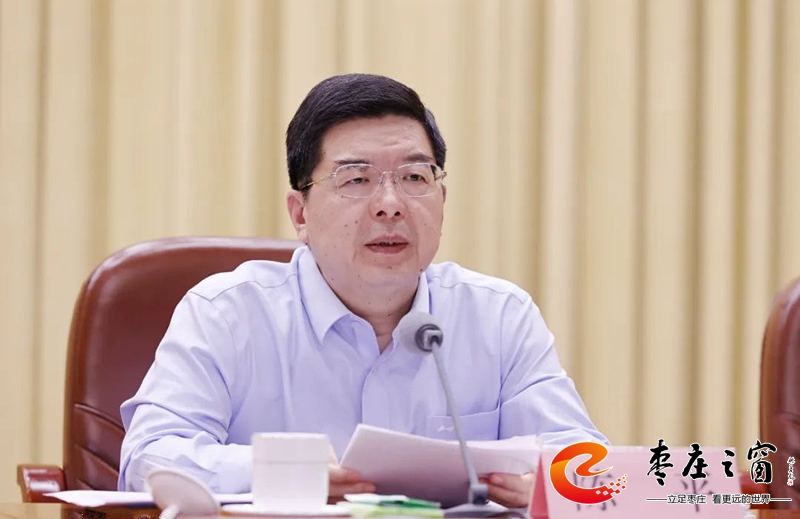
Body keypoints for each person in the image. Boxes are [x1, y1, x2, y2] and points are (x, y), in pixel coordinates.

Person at [118, 73, 606, 508]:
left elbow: (594, 471)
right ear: (300, 213)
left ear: (441, 199)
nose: (390, 204)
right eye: (356, 179)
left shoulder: (499, 317)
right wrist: (284, 473)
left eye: (414, 177)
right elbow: (149, 459)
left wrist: (554, 487)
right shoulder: (226, 315)